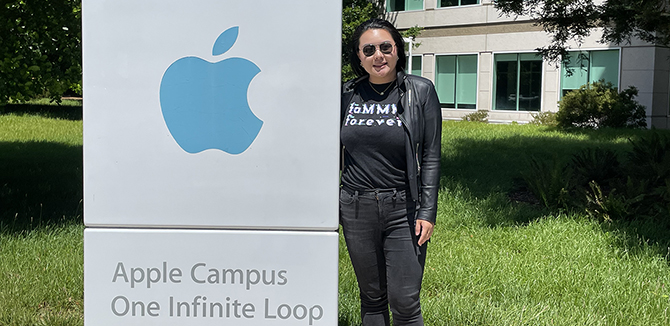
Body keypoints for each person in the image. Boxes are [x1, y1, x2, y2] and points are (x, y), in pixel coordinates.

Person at [340, 18, 442, 326]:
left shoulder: (419, 91)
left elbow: (431, 155)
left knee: (405, 301)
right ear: (358, 57)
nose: (378, 56)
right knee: (371, 298)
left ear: (397, 50)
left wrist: (427, 211)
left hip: (403, 209)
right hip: (355, 207)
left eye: (385, 47)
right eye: (368, 49)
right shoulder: (346, 94)